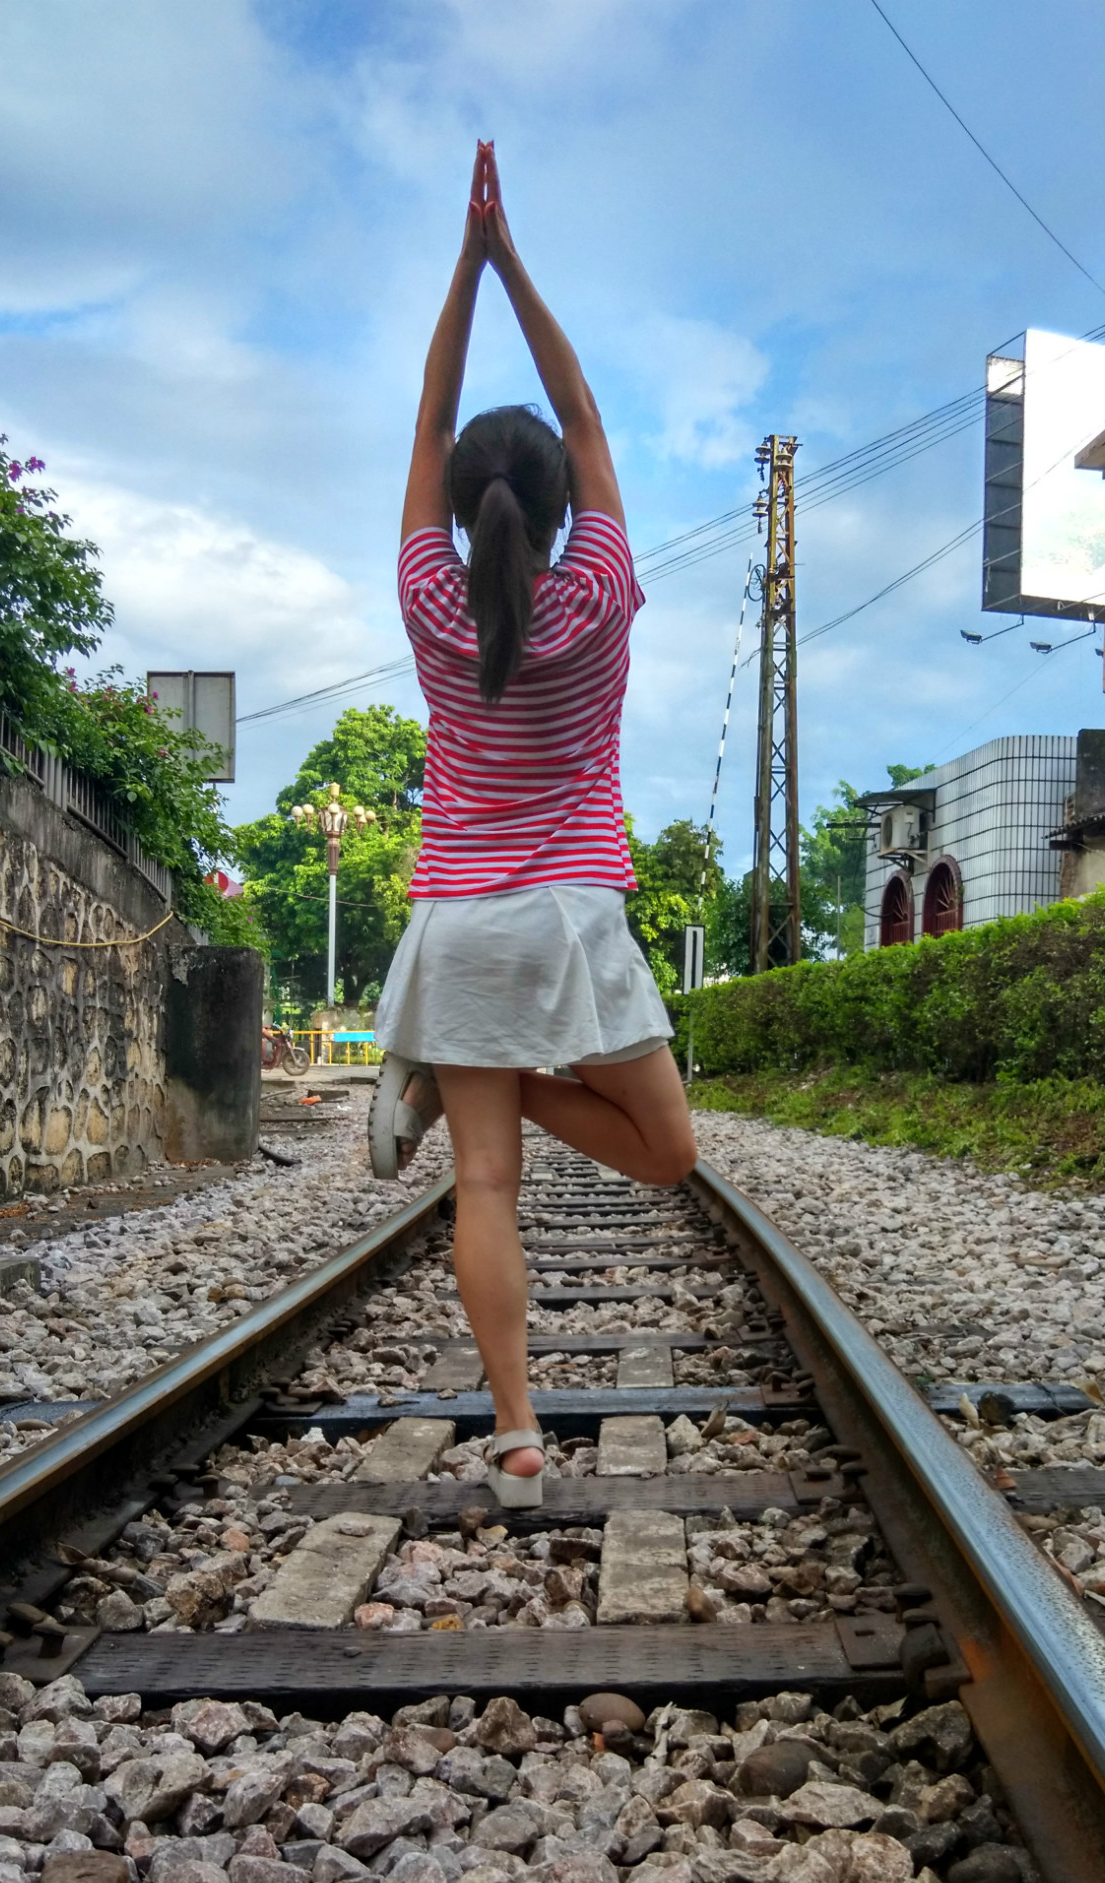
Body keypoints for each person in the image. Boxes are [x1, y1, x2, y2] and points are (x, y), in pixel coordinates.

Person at [369, 142, 698, 1509]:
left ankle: (516, 1437)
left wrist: (460, 265)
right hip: (567, 916)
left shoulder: (431, 604)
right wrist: (512, 260)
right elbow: (585, 407)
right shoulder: (603, 590)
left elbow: (430, 411)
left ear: (455, 505)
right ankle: (444, 1076)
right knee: (670, 1153)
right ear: (566, 509)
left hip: (456, 934)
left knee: (482, 1187)